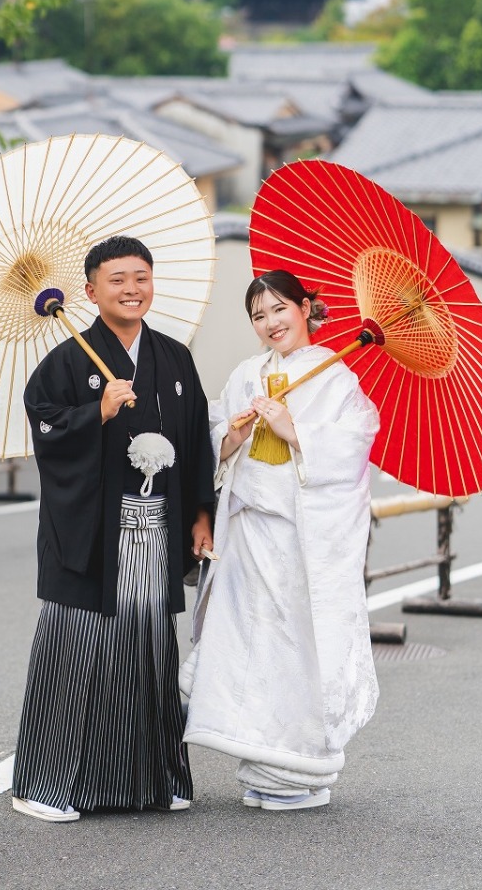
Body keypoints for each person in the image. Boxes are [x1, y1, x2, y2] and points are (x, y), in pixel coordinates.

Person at [12, 235, 215, 822]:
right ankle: (44, 786)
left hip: (155, 529)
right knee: (75, 652)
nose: (132, 289)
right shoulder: (67, 362)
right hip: (90, 534)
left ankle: (152, 782)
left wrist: (201, 515)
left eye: (141, 278)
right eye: (117, 279)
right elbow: (45, 426)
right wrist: (94, 413)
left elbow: (194, 440)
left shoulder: (174, 358)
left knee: (148, 653)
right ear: (91, 290)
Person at [182, 270, 379, 812]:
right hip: (248, 533)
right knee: (249, 644)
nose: (270, 322)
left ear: (305, 308)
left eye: (280, 309)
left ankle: (297, 770)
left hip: (299, 540)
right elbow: (213, 438)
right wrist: (231, 437)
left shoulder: (335, 376)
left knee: (295, 647)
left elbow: (354, 447)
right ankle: (261, 767)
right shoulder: (247, 373)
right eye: (258, 315)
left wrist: (296, 431)